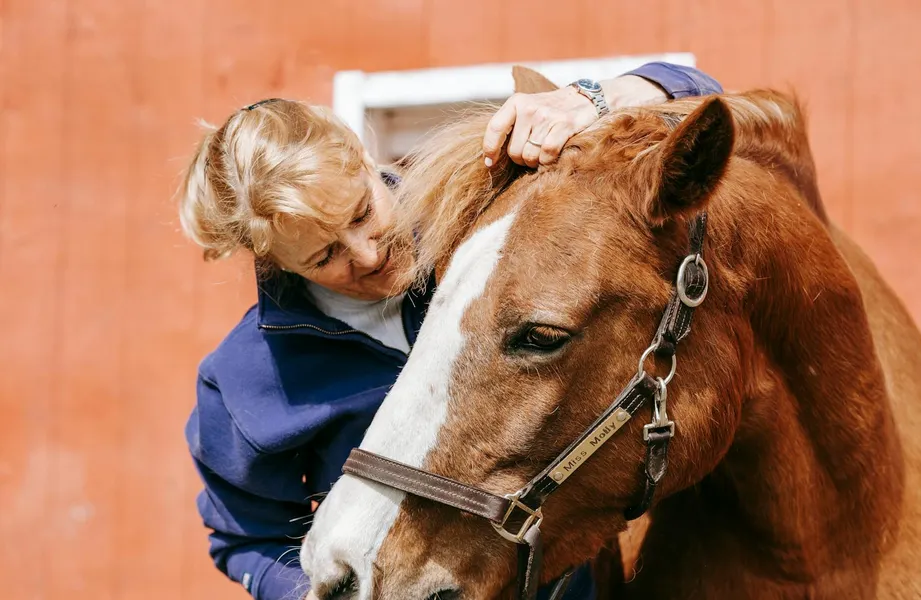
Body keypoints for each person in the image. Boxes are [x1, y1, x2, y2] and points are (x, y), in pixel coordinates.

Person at [179, 62, 722, 600]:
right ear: (274, 261)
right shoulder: (243, 380)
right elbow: (245, 538)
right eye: (325, 256)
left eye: (363, 212)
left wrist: (595, 97)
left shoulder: (487, 215)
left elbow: (705, 98)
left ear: (365, 158)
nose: (368, 254)